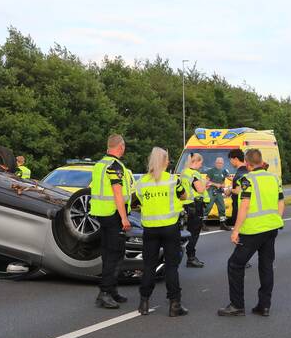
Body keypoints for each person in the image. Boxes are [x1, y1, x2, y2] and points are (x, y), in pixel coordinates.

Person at [218, 148, 284, 317]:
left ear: (247, 163)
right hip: (271, 228)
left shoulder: (247, 179)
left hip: (253, 230)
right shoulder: (274, 178)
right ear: (261, 162)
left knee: (235, 264)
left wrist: (236, 230)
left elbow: (245, 206)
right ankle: (264, 306)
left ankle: (237, 305)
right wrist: (275, 219)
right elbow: (281, 202)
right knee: (266, 266)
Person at [134, 147, 189, 317]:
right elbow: (184, 196)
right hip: (170, 228)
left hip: (150, 229)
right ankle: (175, 304)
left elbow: (138, 200)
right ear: (165, 161)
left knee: (149, 265)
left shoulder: (142, 182)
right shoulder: (173, 180)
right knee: (171, 266)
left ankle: (144, 302)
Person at [89, 134, 134, 309]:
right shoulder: (115, 166)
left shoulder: (100, 164)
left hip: (101, 213)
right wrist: (124, 217)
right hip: (113, 214)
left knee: (109, 252)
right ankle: (105, 292)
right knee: (115, 254)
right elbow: (117, 193)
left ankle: (111, 289)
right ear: (121, 147)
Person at [181, 152, 209, 267]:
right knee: (194, 233)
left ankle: (190, 255)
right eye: (200, 163)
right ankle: (191, 258)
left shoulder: (184, 172)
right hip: (195, 206)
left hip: (188, 205)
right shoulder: (193, 173)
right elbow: (200, 189)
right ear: (195, 162)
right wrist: (205, 182)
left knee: (190, 231)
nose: (201, 166)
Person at [203, 156, 230, 230]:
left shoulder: (223, 172)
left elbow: (223, 183)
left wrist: (222, 185)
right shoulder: (211, 171)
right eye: (218, 163)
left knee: (222, 207)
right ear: (215, 163)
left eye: (221, 163)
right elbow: (206, 181)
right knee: (208, 207)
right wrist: (215, 184)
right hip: (211, 191)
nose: (219, 164)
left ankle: (222, 224)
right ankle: (203, 223)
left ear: (223, 164)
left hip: (219, 192)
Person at [225, 148, 249, 227]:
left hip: (239, 208)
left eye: (230, 160)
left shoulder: (239, 174)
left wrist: (229, 189)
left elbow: (239, 191)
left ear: (235, 159)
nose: (230, 162)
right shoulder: (248, 171)